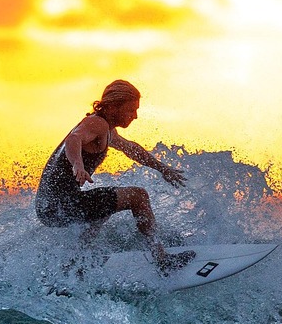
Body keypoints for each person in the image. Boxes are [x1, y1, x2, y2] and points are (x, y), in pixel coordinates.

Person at [35, 80, 195, 272]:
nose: (134, 116)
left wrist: (162, 168)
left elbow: (132, 149)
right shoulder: (96, 123)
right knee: (138, 196)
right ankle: (161, 259)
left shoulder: (107, 130)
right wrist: (78, 164)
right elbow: (74, 139)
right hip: (60, 205)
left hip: (50, 207)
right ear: (112, 106)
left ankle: (74, 264)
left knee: (107, 205)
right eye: (130, 110)